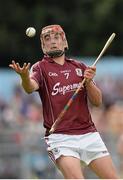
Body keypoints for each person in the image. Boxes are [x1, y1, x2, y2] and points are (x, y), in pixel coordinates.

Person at [9, 24, 119, 179]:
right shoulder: (40, 68)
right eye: (47, 39)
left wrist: (88, 82)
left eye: (57, 37)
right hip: (61, 138)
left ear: (65, 42)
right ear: (42, 45)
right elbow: (29, 87)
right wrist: (25, 77)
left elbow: (97, 101)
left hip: (89, 134)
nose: (52, 41)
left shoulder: (79, 67)